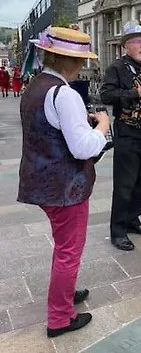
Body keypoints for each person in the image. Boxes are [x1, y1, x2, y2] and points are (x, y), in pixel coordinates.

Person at [17, 27, 109, 337]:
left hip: (42, 181)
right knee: (69, 251)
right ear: (69, 60)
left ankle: (64, 293)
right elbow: (82, 147)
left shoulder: (35, 86)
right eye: (81, 60)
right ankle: (60, 318)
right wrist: (102, 126)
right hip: (65, 187)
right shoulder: (64, 94)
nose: (82, 66)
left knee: (63, 246)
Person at [100, 21, 141, 252]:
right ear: (126, 46)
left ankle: (133, 220)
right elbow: (106, 95)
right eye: (138, 41)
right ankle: (118, 231)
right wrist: (137, 92)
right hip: (128, 133)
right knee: (125, 184)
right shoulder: (117, 68)